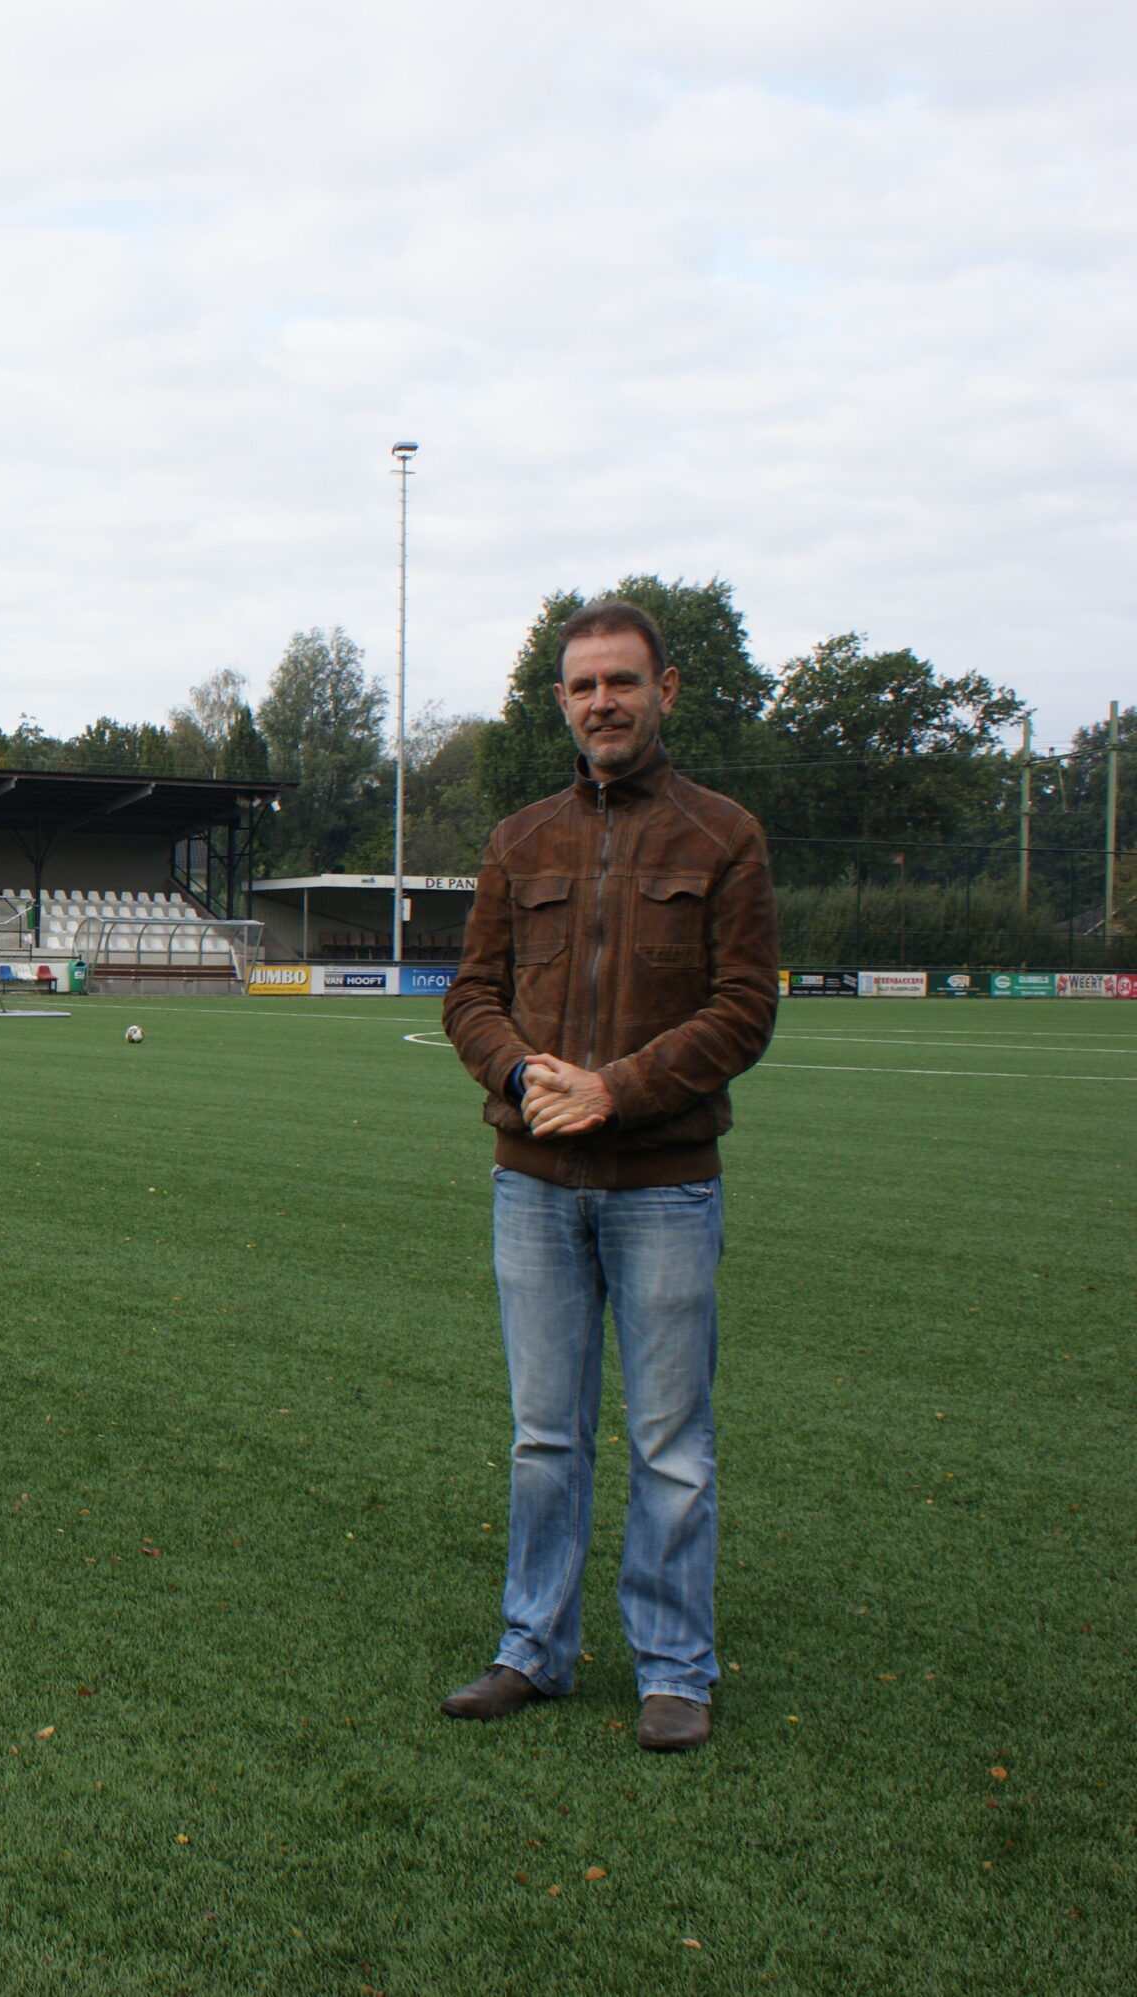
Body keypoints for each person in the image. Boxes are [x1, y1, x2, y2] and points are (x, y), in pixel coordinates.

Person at [437, 599, 778, 1752]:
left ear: (665, 689)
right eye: (583, 686)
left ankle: (675, 1666)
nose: (602, 703)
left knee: (671, 1439)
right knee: (546, 1435)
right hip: (532, 1182)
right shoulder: (519, 838)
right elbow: (468, 996)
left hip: (665, 1183)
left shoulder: (722, 833)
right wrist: (526, 1070)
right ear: (561, 701)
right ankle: (531, 1648)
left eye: (621, 682)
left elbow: (745, 1006)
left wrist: (617, 1089)